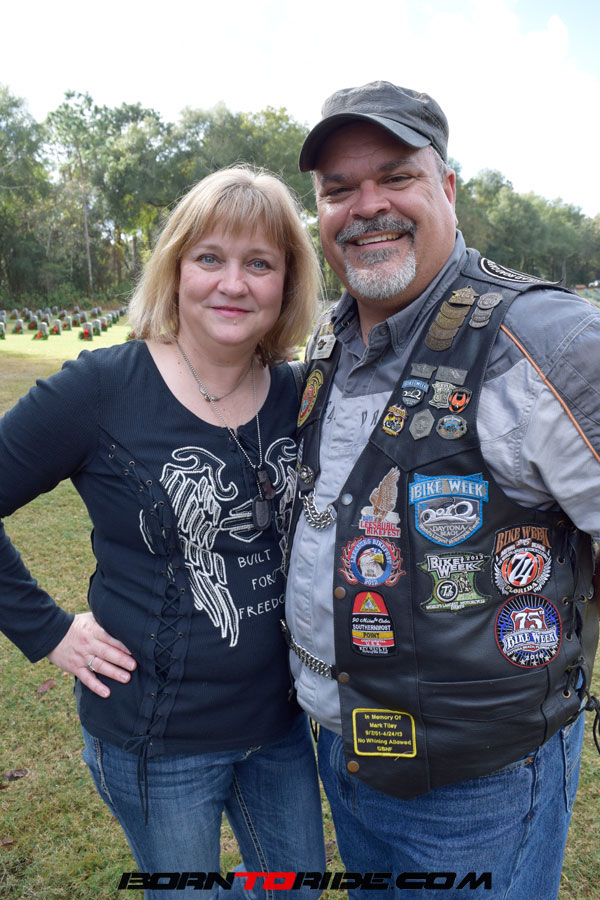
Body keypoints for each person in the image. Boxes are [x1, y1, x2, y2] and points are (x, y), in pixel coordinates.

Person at [284, 81, 600, 899]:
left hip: (479, 782)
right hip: (346, 747)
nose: (367, 207)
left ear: (448, 187)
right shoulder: (332, 339)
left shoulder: (548, 338)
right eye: (339, 190)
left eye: (396, 177)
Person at [0, 165, 325, 899]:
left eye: (259, 263)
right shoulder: (100, 388)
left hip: (279, 725)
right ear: (176, 268)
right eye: (210, 258)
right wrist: (47, 630)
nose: (233, 284)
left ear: (287, 284)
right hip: (156, 739)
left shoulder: (298, 395)